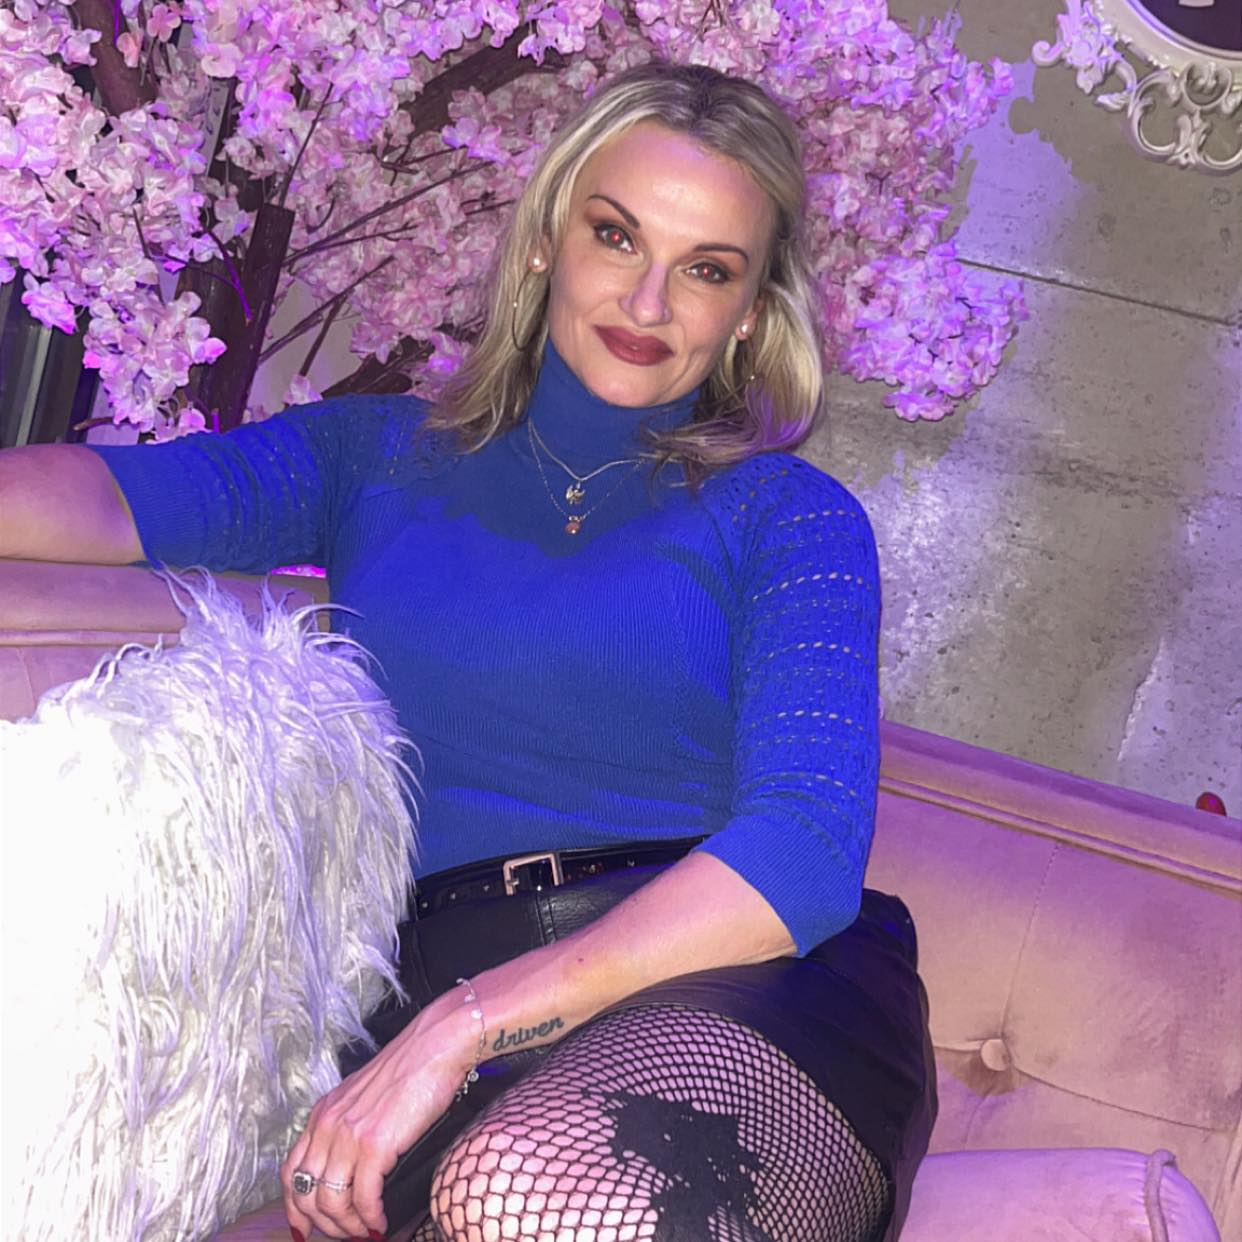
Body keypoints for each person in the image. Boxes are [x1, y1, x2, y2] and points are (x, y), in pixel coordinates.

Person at [0, 62, 935, 1242]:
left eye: (706, 269)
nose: (648, 301)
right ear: (545, 241)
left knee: (524, 1187)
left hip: (727, 992)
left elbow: (805, 848)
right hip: (432, 1004)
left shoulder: (790, 518)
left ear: (749, 311)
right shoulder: (375, 455)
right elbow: (104, 500)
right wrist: (434, 1032)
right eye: (615, 236)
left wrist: (466, 1025)